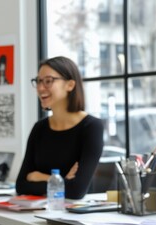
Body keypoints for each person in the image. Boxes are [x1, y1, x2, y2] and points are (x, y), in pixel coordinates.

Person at [15, 56, 104, 200]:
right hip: (36, 213)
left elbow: (76, 191)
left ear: (70, 85)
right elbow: (21, 185)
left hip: (75, 217)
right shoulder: (39, 128)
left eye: (48, 81)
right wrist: (61, 180)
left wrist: (39, 177)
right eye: (38, 81)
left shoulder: (91, 127)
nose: (40, 87)